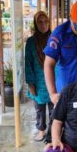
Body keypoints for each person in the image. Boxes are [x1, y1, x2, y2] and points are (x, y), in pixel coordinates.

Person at [25, 11, 53, 141]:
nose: (44, 25)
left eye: (46, 22)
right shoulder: (31, 42)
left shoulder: (54, 39)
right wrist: (30, 83)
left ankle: (53, 132)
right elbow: (28, 62)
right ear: (35, 24)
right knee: (39, 109)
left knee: (54, 109)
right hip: (37, 81)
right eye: (40, 22)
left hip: (53, 79)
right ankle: (41, 131)